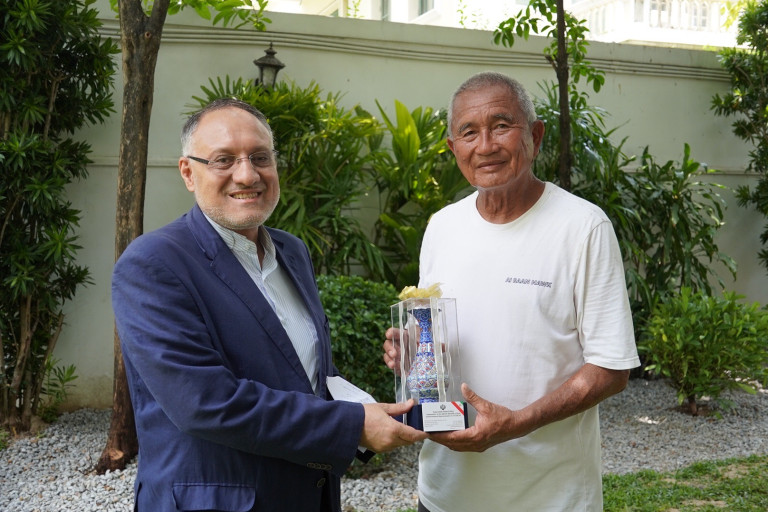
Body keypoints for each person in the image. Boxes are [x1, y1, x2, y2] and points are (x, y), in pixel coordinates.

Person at [113, 98, 426, 512]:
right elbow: (205, 402)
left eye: (260, 157)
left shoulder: (292, 251)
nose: (247, 174)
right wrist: (353, 426)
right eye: (224, 159)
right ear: (188, 172)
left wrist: (380, 407)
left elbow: (306, 374)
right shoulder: (153, 263)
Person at [384, 71, 640, 511]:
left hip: (550, 500)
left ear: (535, 136)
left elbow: (611, 368)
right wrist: (412, 353)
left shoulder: (583, 227)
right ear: (453, 149)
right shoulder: (442, 226)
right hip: (444, 494)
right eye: (469, 132)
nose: (485, 146)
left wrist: (517, 422)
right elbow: (437, 346)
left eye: (501, 126)